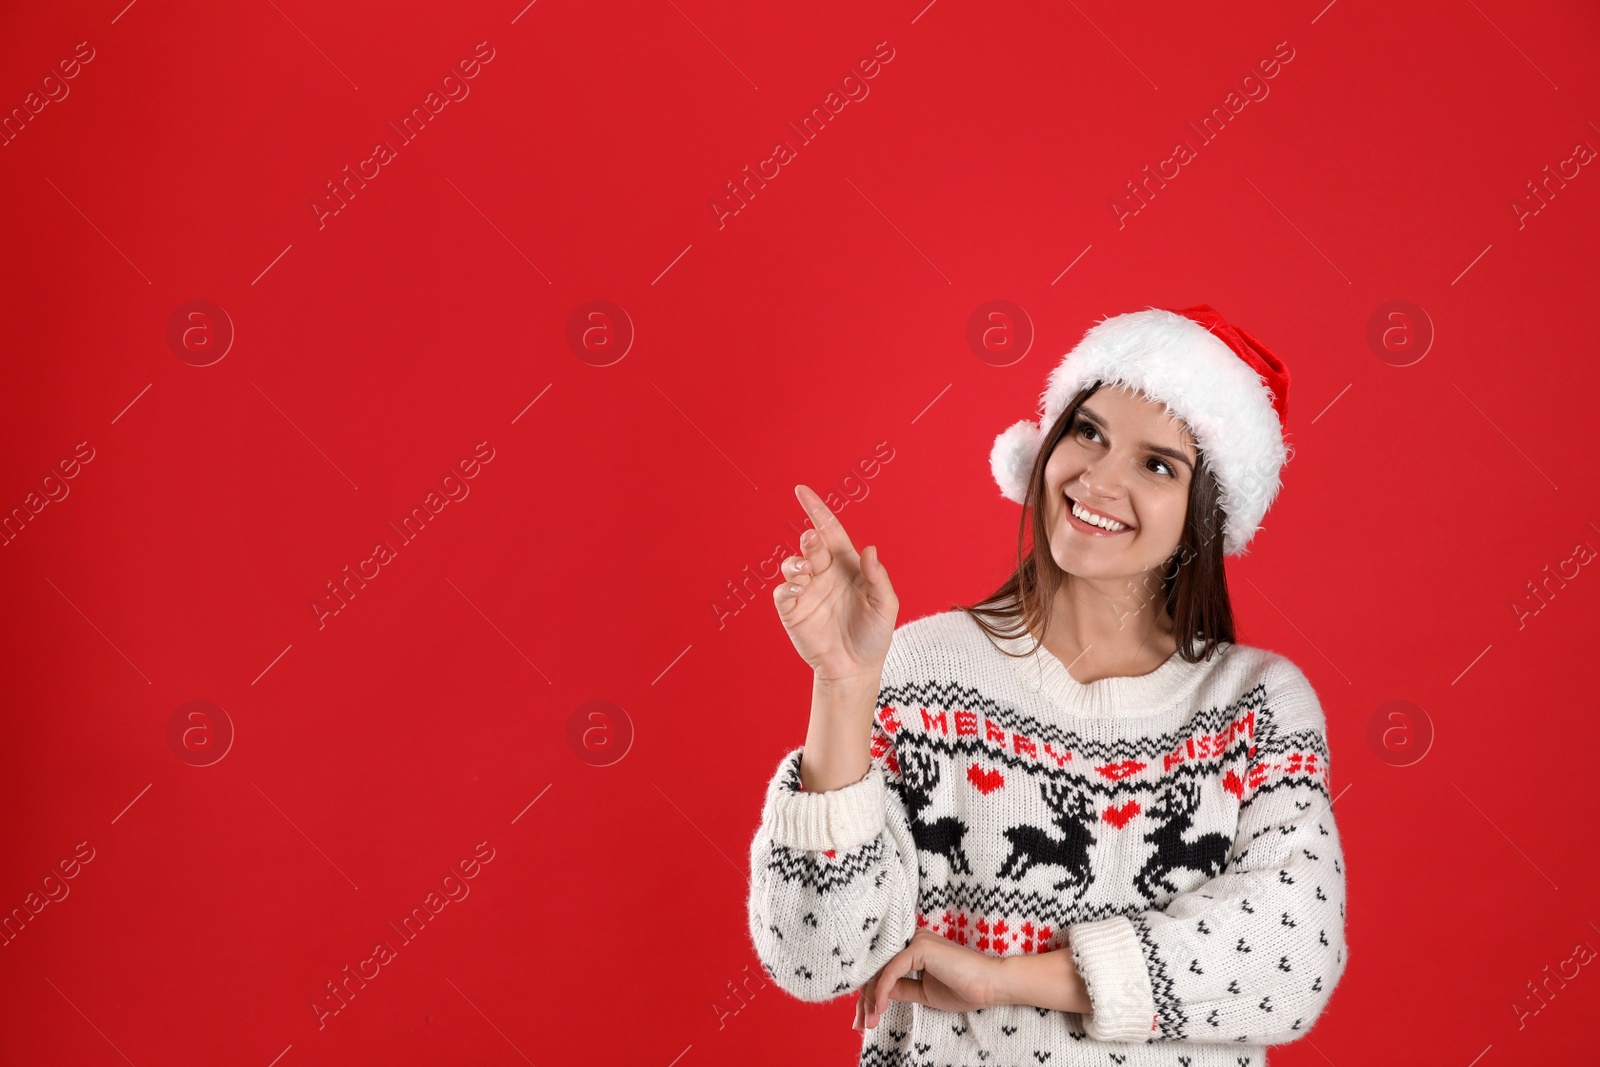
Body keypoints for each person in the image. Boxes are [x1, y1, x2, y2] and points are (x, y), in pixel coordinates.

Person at [745, 304, 1348, 1066]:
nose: (1097, 478)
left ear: (1206, 513)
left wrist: (1007, 979)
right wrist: (843, 686)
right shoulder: (923, 671)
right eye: (1087, 431)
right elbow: (813, 958)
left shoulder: (1255, 707)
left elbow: (1294, 952)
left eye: (1157, 464)